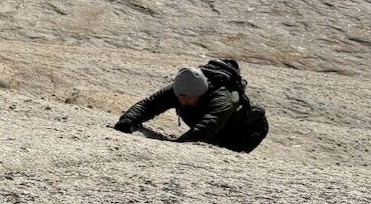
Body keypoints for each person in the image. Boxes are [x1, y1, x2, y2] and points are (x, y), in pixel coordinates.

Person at [114, 62, 268, 153]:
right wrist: (128, 120)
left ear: (201, 93)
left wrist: (179, 146)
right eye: (181, 98)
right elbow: (150, 104)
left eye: (188, 98)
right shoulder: (180, 89)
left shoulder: (222, 99)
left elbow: (209, 125)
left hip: (245, 132)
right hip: (215, 127)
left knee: (223, 151)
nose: (183, 102)